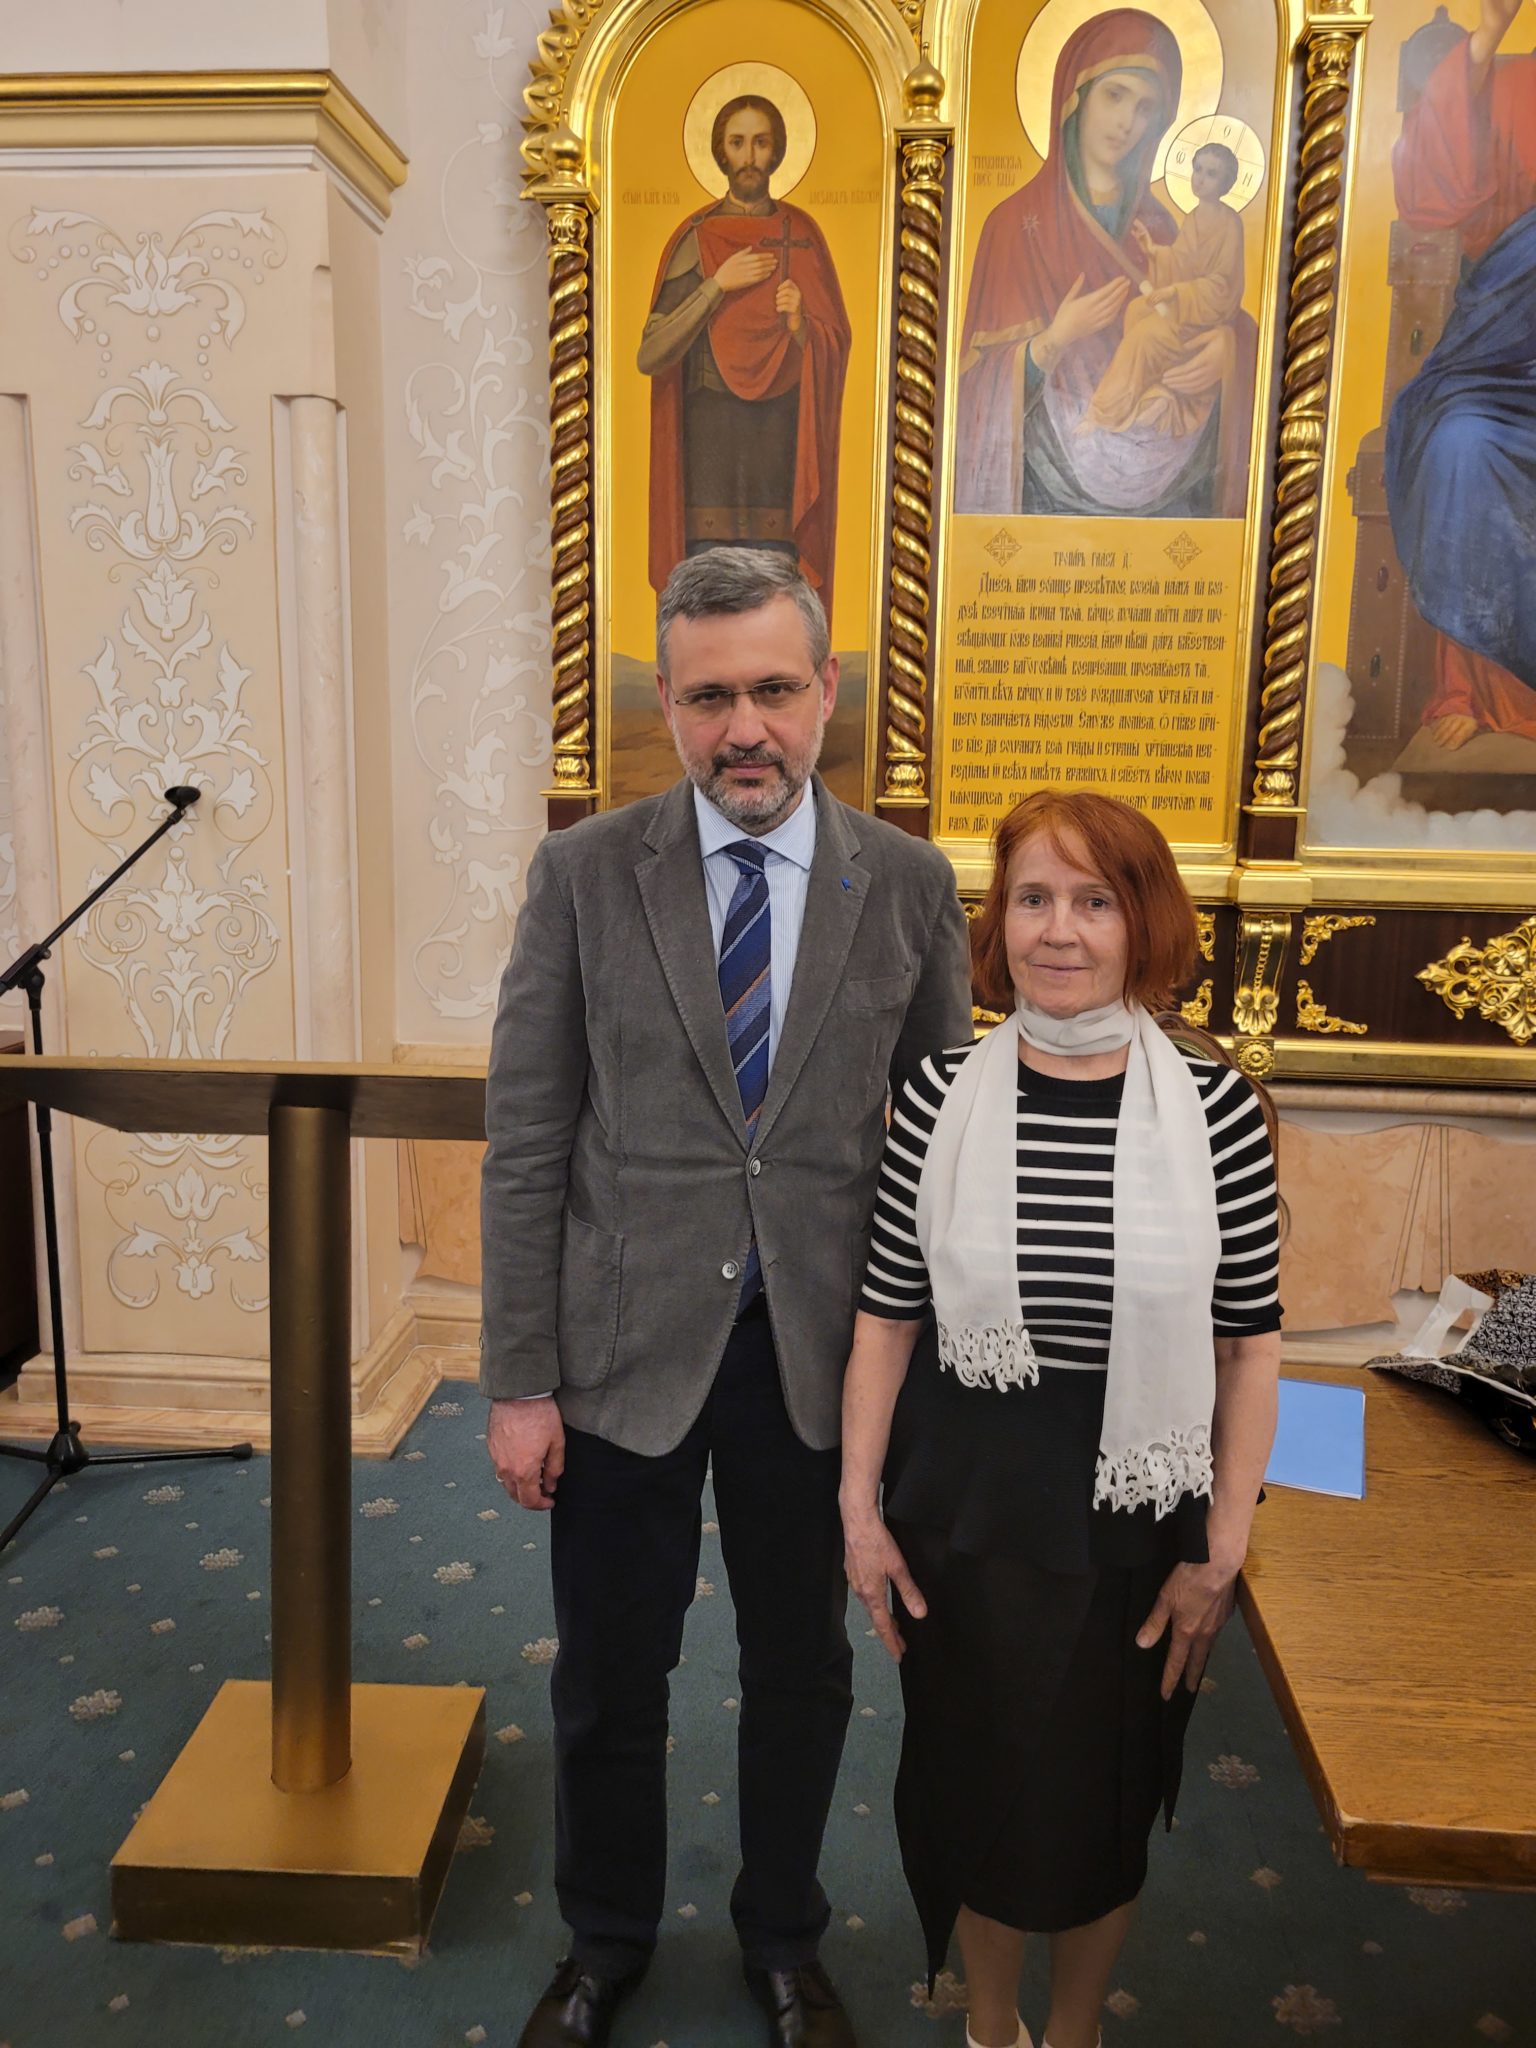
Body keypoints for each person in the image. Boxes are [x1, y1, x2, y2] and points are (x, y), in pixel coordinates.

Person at [481, 548, 973, 2048]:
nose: (742, 728)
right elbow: (529, 1137)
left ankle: (783, 1937)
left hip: (823, 1358)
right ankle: (603, 1940)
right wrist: (518, 1379)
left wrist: (931, 1390)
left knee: (802, 1670)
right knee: (609, 1674)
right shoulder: (584, 873)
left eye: (772, 689)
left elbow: (940, 1147)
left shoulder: (908, 883)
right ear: (666, 703)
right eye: (708, 698)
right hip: (622, 1350)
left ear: (827, 693)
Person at [840, 790, 1282, 2048]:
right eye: (1032, 897)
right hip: (969, 1507)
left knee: (1101, 1801)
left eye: (1095, 899)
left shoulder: (1217, 1106)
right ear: (1000, 921)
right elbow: (888, 1317)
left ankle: (1075, 2029)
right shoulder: (940, 1093)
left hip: (1139, 1513)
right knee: (982, 1786)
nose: (1059, 929)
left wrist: (1225, 1542)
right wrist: (859, 1508)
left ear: (1144, 922)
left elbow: (1249, 1344)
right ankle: (992, 2025)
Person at [954, 9, 1256, 520]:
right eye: (1114, 96)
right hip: (1047, 497)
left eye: (1145, 108)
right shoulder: (1012, 225)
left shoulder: (1161, 227)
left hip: (1168, 488)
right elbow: (969, 393)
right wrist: (1054, 340)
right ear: (1074, 97)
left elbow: (1204, 308)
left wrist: (1229, 348)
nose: (1127, 123)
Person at [639, 95, 851, 623]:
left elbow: (836, 342)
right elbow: (651, 352)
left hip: (777, 445)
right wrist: (717, 284)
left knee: (775, 592)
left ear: (778, 151)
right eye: (738, 143)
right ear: (720, 152)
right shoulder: (696, 237)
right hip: (708, 442)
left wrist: (802, 326)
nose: (750, 156)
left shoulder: (804, 236)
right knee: (706, 595)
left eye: (761, 142)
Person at [1388, 0, 1536, 748]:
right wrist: (1483, 43)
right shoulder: (1501, 83)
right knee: (1458, 444)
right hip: (1498, 358)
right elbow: (1426, 195)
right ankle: (1473, 690)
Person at [1080, 144, 1245, 436]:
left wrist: (1176, 292)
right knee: (1136, 310)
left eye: (1211, 174)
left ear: (1226, 183)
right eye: (1198, 169)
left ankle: (1102, 415)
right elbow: (1181, 263)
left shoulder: (1229, 224)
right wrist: (1154, 251)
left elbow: (1223, 285)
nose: (1200, 179)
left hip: (1202, 320)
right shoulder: (1194, 218)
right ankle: (1150, 391)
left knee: (1145, 337)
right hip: (1186, 309)